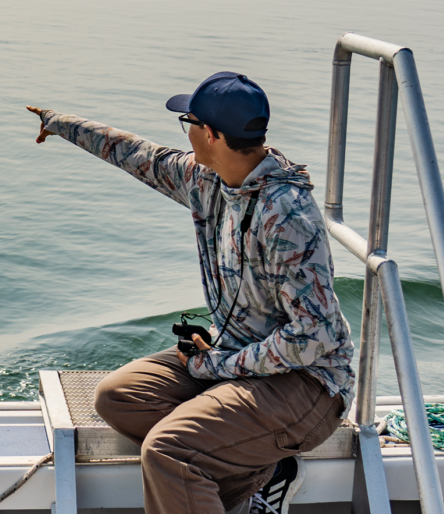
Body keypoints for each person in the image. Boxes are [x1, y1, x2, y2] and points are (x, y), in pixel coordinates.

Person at [27, 71, 354, 514]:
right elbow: (137, 154)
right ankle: (264, 474)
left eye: (189, 122)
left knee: (169, 450)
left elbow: (314, 336)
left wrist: (221, 366)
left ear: (213, 135)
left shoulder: (287, 217)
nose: (185, 134)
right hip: (241, 356)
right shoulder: (208, 179)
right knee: (120, 398)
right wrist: (59, 122)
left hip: (307, 385)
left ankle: (235, 474)